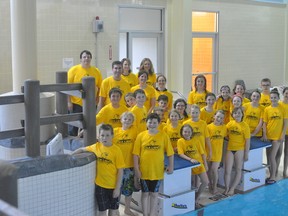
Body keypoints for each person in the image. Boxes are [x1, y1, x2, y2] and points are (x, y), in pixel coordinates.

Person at [72, 124, 125, 216]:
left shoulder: (117, 151)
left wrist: (117, 188)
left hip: (113, 187)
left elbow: (120, 171)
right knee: (102, 211)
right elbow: (82, 149)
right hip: (101, 186)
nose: (105, 138)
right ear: (99, 137)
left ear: (112, 136)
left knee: (112, 211)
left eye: (107, 135)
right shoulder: (96, 147)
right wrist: (70, 156)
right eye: (102, 135)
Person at [133, 113, 174, 216]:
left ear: (159, 123)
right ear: (146, 123)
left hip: (157, 171)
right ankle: (145, 214)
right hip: (144, 171)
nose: (152, 124)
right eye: (150, 122)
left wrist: (171, 166)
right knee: (145, 194)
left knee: (154, 194)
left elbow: (170, 153)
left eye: (154, 122)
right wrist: (136, 169)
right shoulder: (141, 136)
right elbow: (135, 154)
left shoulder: (163, 136)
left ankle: (152, 214)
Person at [67, 50, 102, 136]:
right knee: (73, 126)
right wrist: (69, 102)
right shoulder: (73, 70)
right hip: (76, 104)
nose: (86, 59)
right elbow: (67, 87)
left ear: (91, 59)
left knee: (88, 125)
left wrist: (97, 99)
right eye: (84, 57)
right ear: (80, 59)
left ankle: (86, 143)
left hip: (90, 104)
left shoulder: (96, 71)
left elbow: (100, 86)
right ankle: (72, 143)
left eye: (88, 57)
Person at [177, 124, 209, 206]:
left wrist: (205, 164)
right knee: (190, 185)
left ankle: (196, 197)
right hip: (189, 167)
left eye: (188, 132)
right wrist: (190, 159)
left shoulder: (196, 140)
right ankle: (190, 200)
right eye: (185, 131)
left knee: (205, 182)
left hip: (199, 164)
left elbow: (202, 153)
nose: (186, 133)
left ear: (191, 133)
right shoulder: (180, 141)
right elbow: (181, 154)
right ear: (182, 132)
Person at [113, 112, 138, 216]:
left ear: (132, 122)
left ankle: (127, 209)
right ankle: (116, 209)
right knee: (116, 189)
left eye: (129, 120)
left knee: (128, 189)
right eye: (125, 119)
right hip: (117, 166)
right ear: (121, 120)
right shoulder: (115, 131)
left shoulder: (134, 131)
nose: (127, 121)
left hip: (129, 166)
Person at [262, 88, 288, 184]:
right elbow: (264, 123)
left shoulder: (282, 108)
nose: (273, 99)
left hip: (277, 137)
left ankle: (273, 176)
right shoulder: (267, 109)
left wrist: (282, 136)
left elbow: (285, 123)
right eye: (271, 98)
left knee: (273, 156)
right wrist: (264, 134)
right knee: (269, 156)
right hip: (268, 135)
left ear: (278, 98)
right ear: (270, 98)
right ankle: (271, 174)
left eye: (275, 97)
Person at [224, 107, 250, 195]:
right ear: (232, 115)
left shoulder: (245, 126)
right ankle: (227, 188)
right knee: (227, 170)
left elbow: (247, 141)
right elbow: (225, 134)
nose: (237, 115)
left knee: (238, 169)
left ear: (242, 114)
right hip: (230, 149)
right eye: (235, 113)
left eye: (239, 113)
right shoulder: (229, 124)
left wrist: (246, 153)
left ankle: (232, 188)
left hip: (240, 149)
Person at [207, 110, 227, 194]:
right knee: (208, 170)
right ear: (214, 116)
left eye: (221, 118)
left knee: (214, 170)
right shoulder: (208, 127)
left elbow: (225, 139)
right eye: (218, 116)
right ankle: (210, 184)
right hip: (208, 151)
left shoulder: (224, 128)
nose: (219, 119)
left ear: (223, 119)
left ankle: (214, 186)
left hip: (218, 152)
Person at [279, 87, 288, 178]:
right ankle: (275, 170)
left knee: (287, 153)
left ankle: (285, 171)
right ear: (283, 93)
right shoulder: (279, 104)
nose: (287, 95)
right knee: (279, 152)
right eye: (286, 93)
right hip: (280, 132)